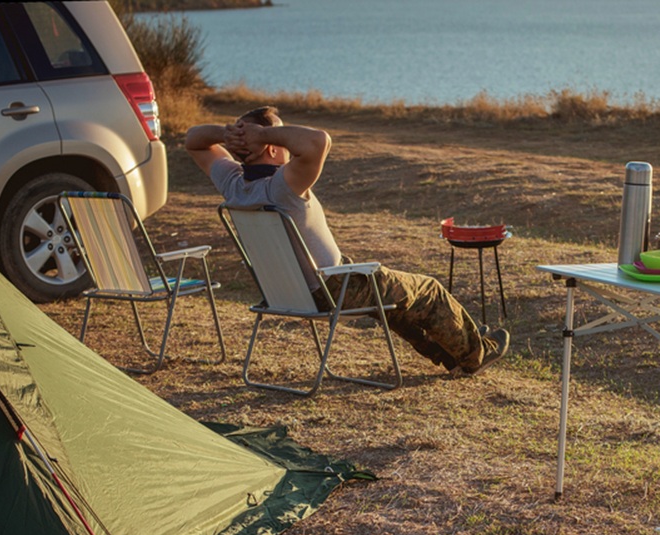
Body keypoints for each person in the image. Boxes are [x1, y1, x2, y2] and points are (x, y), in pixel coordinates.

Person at [185, 106, 509, 375]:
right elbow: (319, 141)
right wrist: (265, 133)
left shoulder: (233, 184)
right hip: (332, 291)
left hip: (284, 292)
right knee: (429, 289)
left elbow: (194, 141)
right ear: (272, 149)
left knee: (392, 297)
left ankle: (450, 354)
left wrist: (229, 132)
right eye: (279, 140)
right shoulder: (283, 184)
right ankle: (474, 355)